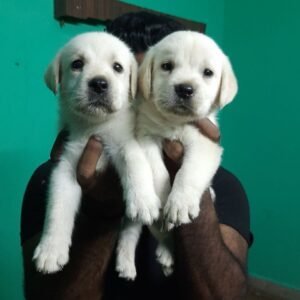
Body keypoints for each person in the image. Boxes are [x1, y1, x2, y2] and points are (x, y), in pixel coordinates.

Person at [21, 11, 252, 300]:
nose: (141, 100)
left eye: (145, 83)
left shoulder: (226, 187)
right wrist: (100, 212)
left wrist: (194, 188)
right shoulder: (47, 179)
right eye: (139, 83)